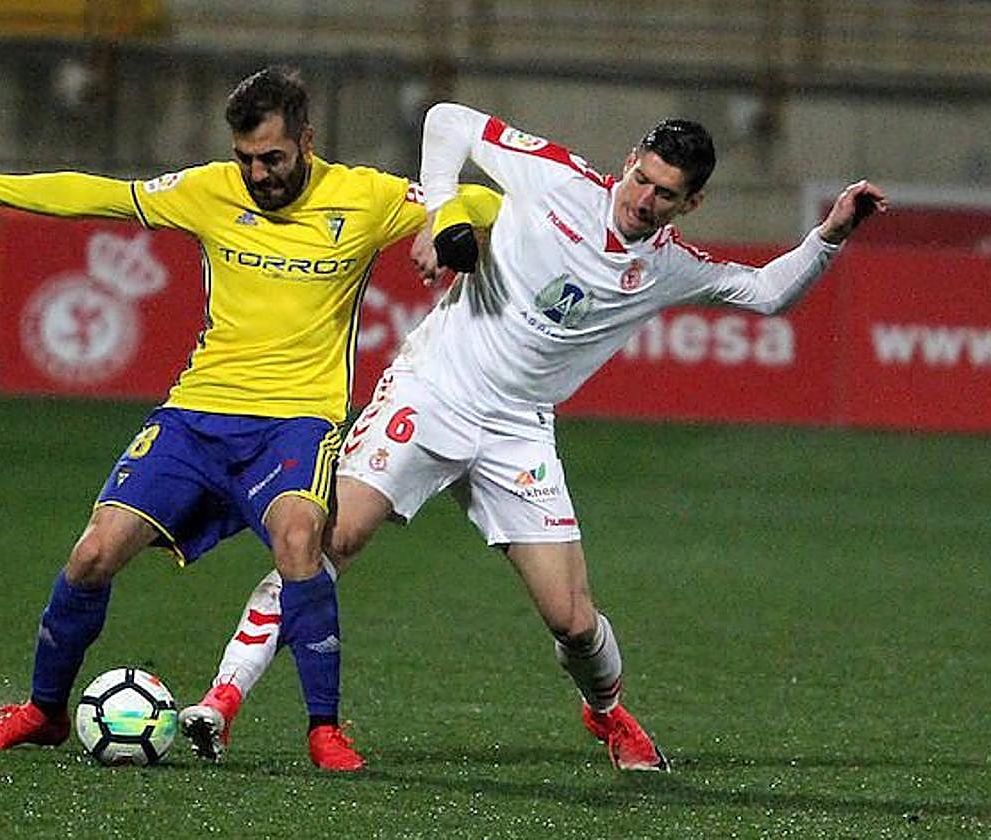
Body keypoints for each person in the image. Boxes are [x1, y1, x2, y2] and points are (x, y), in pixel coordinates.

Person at [178, 101, 888, 772]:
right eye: (641, 178)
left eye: (664, 195)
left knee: (574, 622)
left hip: (519, 432)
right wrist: (443, 210)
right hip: (434, 391)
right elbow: (448, 121)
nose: (643, 200)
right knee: (332, 538)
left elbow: (765, 294)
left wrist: (830, 235)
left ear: (689, 204)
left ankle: (607, 711)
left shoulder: (669, 266)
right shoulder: (556, 178)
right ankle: (223, 696)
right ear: (630, 159)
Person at [0, 68, 498, 772]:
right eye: (246, 158)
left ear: (306, 141)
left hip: (296, 421)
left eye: (273, 158)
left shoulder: (364, 197)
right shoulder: (210, 190)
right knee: (93, 553)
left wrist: (447, 222)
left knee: (300, 541)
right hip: (196, 417)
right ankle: (43, 711)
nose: (257, 174)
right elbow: (99, 196)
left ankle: (323, 731)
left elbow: (490, 199)